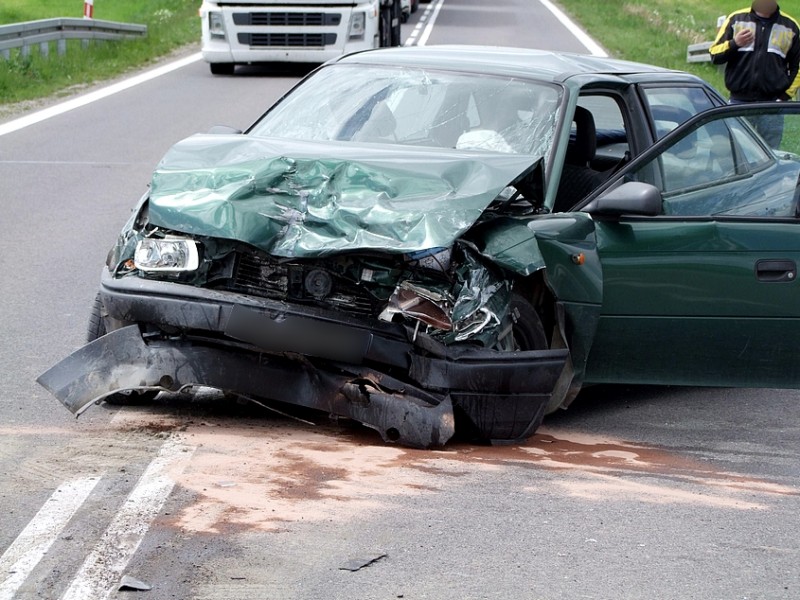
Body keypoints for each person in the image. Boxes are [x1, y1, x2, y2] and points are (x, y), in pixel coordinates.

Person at [710, 0, 800, 148]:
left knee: (770, 155)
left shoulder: (791, 26)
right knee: (736, 153)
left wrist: (784, 97)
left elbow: (797, 67)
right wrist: (735, 43)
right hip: (739, 104)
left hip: (772, 107)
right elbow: (714, 55)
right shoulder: (736, 19)